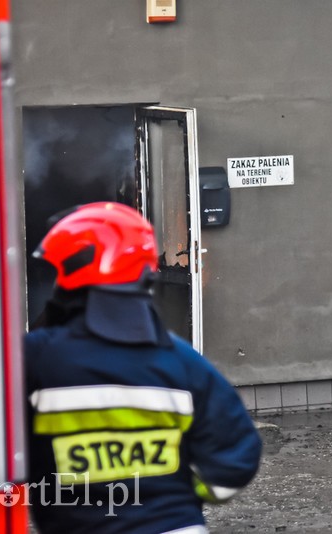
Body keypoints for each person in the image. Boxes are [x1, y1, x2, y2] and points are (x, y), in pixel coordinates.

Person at [25, 202, 262, 533]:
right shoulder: (183, 362)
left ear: (74, 273)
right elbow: (236, 455)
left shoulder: (36, 358)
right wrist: (172, 491)